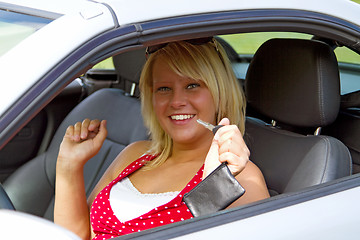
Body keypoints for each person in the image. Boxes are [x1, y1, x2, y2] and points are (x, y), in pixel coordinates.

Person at [54, 37, 270, 240]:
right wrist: (68, 167)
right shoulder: (135, 154)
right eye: (164, 88)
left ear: (219, 92)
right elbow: (78, 236)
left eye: (192, 85)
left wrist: (212, 187)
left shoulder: (239, 177)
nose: (176, 101)